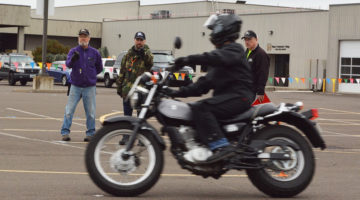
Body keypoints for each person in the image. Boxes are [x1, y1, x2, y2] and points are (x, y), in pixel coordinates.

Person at [165, 14, 255, 163]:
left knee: (202, 108)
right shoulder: (221, 58)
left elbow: (212, 57)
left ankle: (221, 148)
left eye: (215, 29)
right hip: (230, 97)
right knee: (195, 108)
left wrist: (188, 59)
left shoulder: (234, 50)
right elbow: (203, 85)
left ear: (224, 29)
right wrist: (176, 92)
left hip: (240, 97)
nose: (212, 33)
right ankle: (205, 146)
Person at [60, 29, 103, 142]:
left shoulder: (95, 53)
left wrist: (91, 75)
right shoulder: (73, 51)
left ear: (89, 38)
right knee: (69, 110)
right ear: (78, 38)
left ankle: (90, 133)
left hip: (89, 87)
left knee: (91, 112)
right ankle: (65, 132)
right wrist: (73, 59)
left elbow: (99, 68)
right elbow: (68, 65)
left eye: (85, 36)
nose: (83, 38)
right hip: (75, 86)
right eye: (81, 36)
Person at [116, 31, 153, 144]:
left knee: (140, 116)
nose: (139, 42)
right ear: (134, 40)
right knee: (127, 116)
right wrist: (119, 86)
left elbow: (150, 63)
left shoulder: (147, 53)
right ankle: (126, 137)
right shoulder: (128, 55)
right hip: (128, 90)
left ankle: (142, 139)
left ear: (144, 41)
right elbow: (122, 71)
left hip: (141, 90)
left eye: (141, 40)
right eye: (137, 40)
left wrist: (144, 55)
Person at [242, 30, 270, 103]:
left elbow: (263, 73)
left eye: (249, 39)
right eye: (245, 40)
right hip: (244, 88)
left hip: (252, 90)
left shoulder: (261, 54)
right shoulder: (247, 52)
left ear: (256, 39)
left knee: (247, 110)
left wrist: (260, 92)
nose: (247, 42)